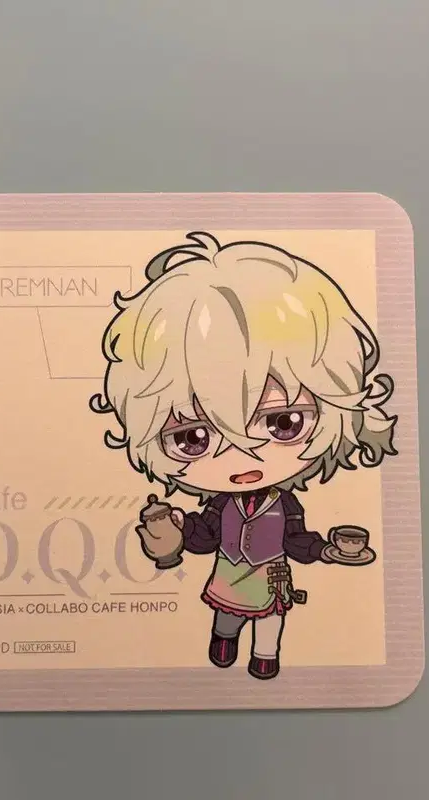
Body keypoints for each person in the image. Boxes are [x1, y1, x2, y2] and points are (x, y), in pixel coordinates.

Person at [90, 232, 396, 679]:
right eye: (193, 437)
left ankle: (265, 658)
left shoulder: (285, 504)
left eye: (284, 423)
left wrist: (326, 550)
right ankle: (225, 639)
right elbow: (203, 536)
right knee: (227, 617)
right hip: (229, 576)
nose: (244, 457)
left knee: (271, 622)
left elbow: (296, 540)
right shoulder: (220, 506)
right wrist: (174, 536)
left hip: (271, 577)